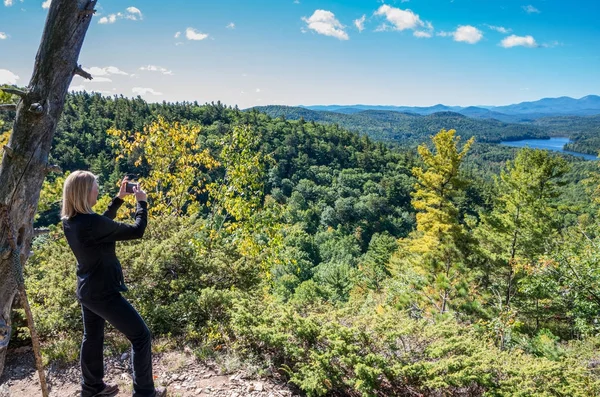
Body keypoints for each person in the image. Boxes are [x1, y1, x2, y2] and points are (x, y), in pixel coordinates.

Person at [61, 171, 166, 397]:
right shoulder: (92, 223)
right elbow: (136, 231)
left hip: (87, 290)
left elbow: (101, 225)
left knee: (92, 337)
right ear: (84, 191)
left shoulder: (71, 222)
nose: (97, 190)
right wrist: (142, 204)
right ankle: (145, 392)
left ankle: (92, 388)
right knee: (140, 335)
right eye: (95, 186)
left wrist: (118, 199)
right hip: (103, 292)